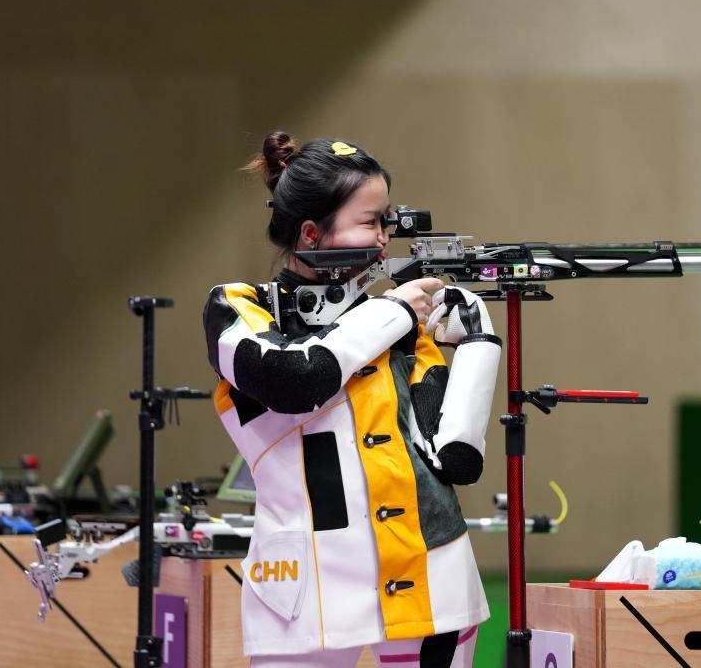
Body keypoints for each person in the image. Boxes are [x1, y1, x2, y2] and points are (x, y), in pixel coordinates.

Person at [203, 132, 501, 667]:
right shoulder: (240, 308)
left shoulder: (398, 326)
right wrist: (395, 313)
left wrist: (479, 345)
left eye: (387, 220)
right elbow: (296, 380)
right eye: (371, 222)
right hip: (301, 594)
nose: (385, 239)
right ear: (312, 233)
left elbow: (455, 458)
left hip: (428, 579)